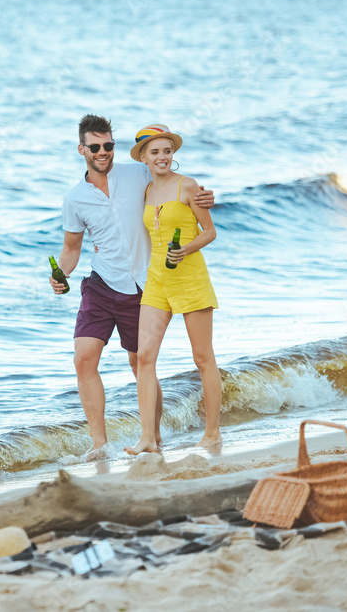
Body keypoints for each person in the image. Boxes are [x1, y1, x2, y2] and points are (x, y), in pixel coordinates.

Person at [50, 115, 213, 460]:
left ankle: (153, 437)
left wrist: (203, 197)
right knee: (83, 359)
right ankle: (98, 445)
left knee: (141, 363)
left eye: (108, 145)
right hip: (101, 283)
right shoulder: (75, 199)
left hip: (143, 283)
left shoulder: (137, 173)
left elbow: (171, 179)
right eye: (95, 147)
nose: (103, 152)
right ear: (82, 149)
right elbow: (71, 249)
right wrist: (59, 275)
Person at [124, 124, 222, 456]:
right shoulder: (147, 191)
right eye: (155, 152)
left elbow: (209, 232)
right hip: (157, 281)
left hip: (190, 277)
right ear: (144, 158)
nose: (163, 157)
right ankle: (149, 437)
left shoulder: (188, 185)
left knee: (202, 358)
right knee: (144, 356)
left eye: (167, 151)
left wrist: (187, 248)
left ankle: (212, 433)